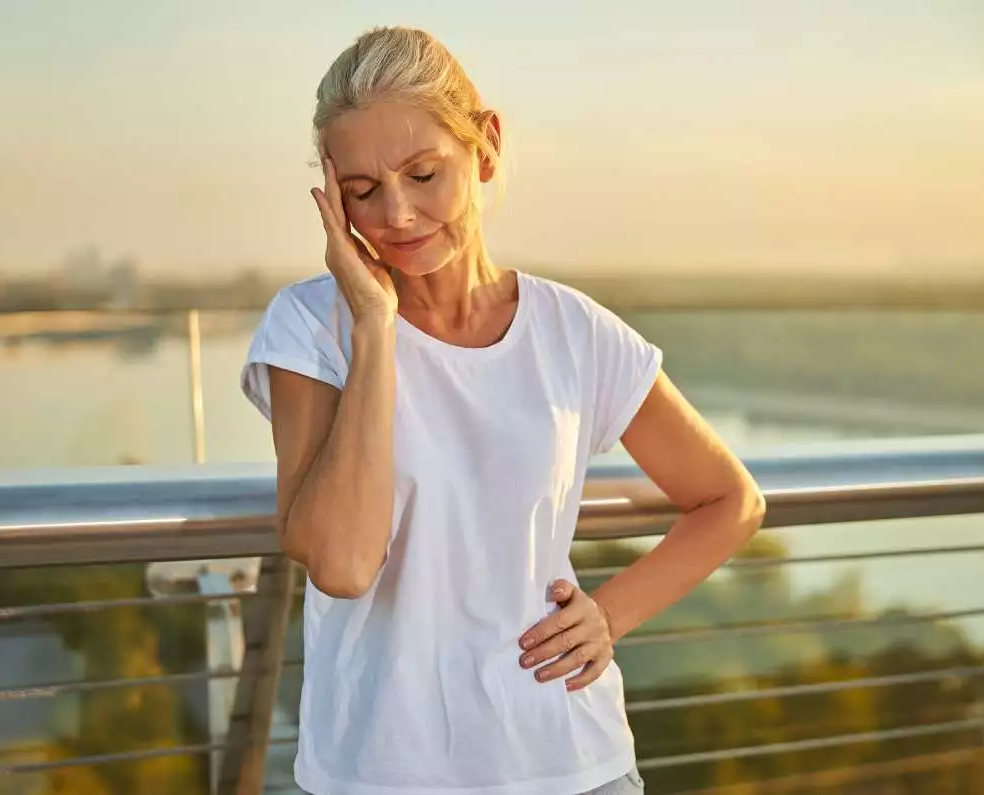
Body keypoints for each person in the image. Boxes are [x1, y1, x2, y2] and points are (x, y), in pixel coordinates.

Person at [240, 26, 766, 795]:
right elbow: (346, 565)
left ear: (484, 146)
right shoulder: (311, 329)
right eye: (361, 191)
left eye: (424, 174)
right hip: (382, 773)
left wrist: (609, 614)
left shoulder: (574, 330)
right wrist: (376, 328)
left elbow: (731, 500)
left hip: (573, 764)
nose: (396, 214)